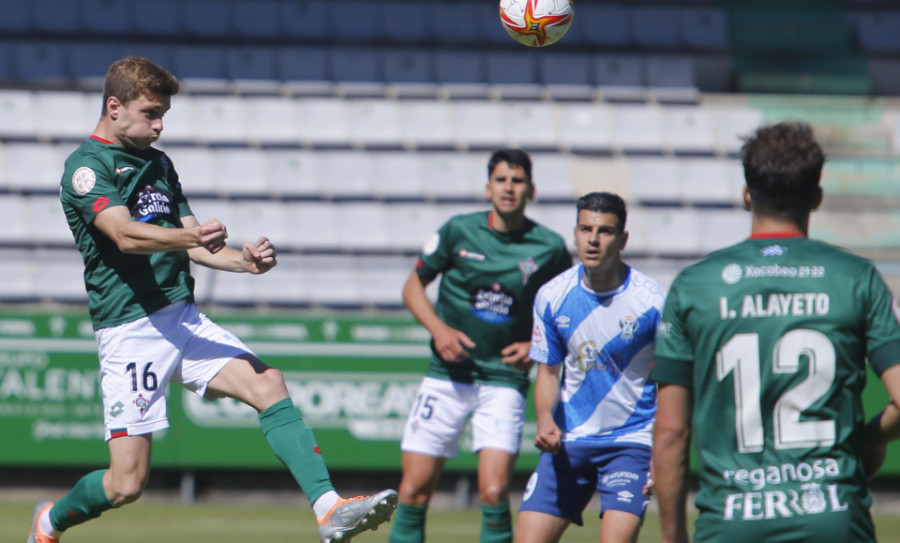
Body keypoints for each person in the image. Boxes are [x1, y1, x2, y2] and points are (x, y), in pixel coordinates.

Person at [27, 56, 397, 543]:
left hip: (180, 316)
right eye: (151, 113)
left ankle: (329, 508)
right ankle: (50, 522)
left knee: (268, 383)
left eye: (164, 115)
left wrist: (244, 260)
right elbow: (124, 236)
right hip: (131, 329)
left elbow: (193, 239)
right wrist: (191, 239)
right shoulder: (86, 167)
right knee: (126, 484)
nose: (159, 125)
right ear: (114, 107)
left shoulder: (159, 163)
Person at [651, 121, 900, 543]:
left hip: (730, 522)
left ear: (747, 195)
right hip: (834, 518)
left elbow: (672, 432)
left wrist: (673, 535)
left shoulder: (695, 287)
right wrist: (871, 440)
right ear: (817, 198)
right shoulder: (857, 278)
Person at [388, 149, 572, 543]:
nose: (509, 187)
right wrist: (439, 330)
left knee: (492, 492)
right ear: (488, 188)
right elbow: (412, 286)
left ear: (532, 190)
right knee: (413, 491)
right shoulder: (458, 231)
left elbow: (568, 312)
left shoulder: (550, 248)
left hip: (503, 381)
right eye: (502, 179)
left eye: (518, 180)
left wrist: (534, 345)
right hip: (447, 377)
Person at [515, 192, 664, 543]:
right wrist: (546, 420)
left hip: (630, 442)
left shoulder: (651, 301)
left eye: (605, 231)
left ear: (623, 239)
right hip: (569, 442)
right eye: (585, 229)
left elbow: (669, 382)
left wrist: (662, 452)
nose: (593, 239)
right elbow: (548, 373)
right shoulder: (553, 295)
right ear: (575, 233)